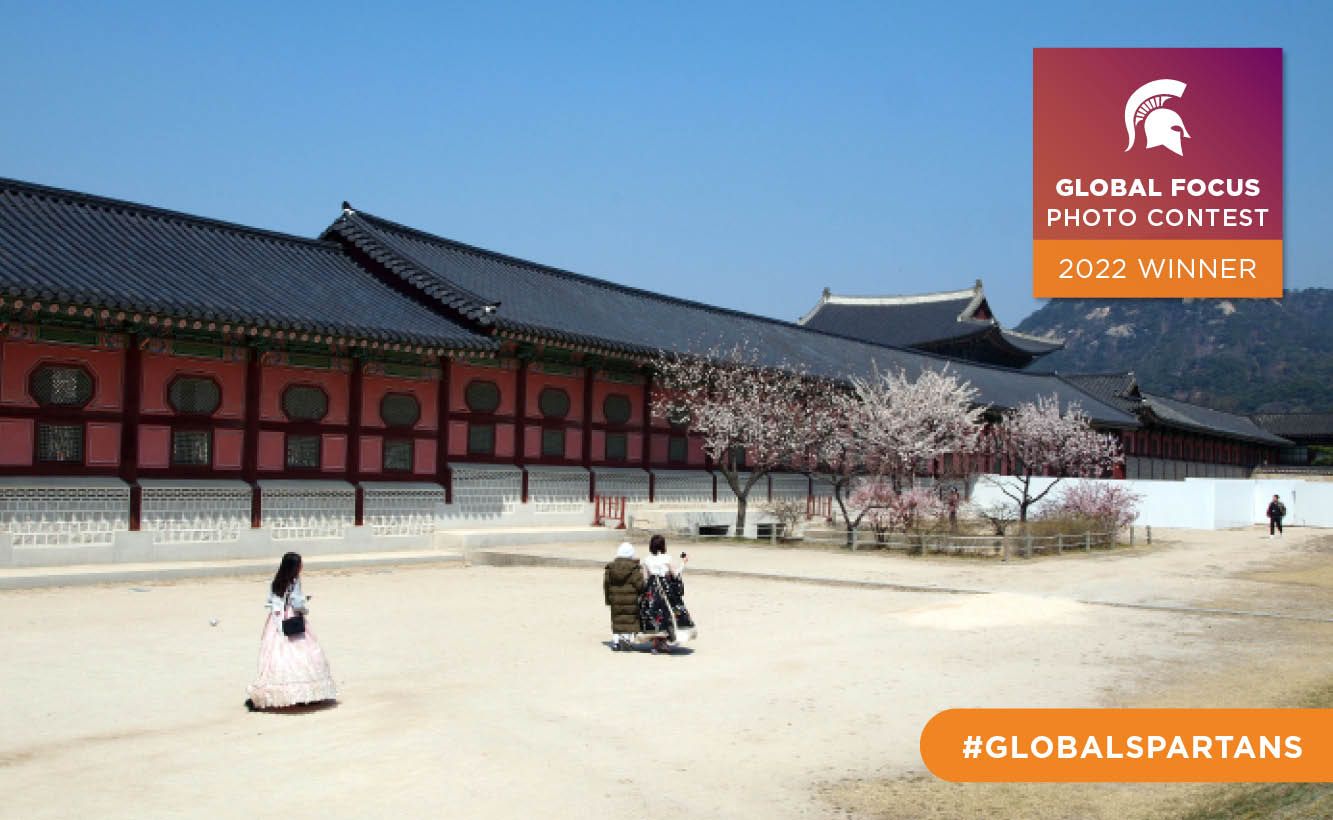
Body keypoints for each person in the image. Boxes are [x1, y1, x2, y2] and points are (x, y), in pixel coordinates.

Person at [245, 552, 337, 710]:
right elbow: (296, 602)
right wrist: (304, 606)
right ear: (295, 567)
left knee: (276, 653)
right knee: (302, 652)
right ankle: (303, 692)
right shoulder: (295, 581)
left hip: (276, 620)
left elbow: (272, 600)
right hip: (292, 618)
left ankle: (273, 691)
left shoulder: (275, 581)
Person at [638, 534, 696, 654]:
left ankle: (655, 643)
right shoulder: (667, 558)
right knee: (668, 613)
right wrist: (684, 563)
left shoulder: (647, 559)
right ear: (663, 545)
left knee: (653, 615)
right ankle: (663, 643)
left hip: (652, 589)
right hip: (665, 588)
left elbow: (645, 578)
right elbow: (675, 574)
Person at [604, 542, 646, 652]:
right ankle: (626, 639)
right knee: (629, 619)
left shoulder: (610, 568)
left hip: (615, 600)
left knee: (617, 620)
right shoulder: (634, 569)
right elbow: (640, 585)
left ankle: (616, 641)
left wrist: (608, 600)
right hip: (631, 600)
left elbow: (606, 586)